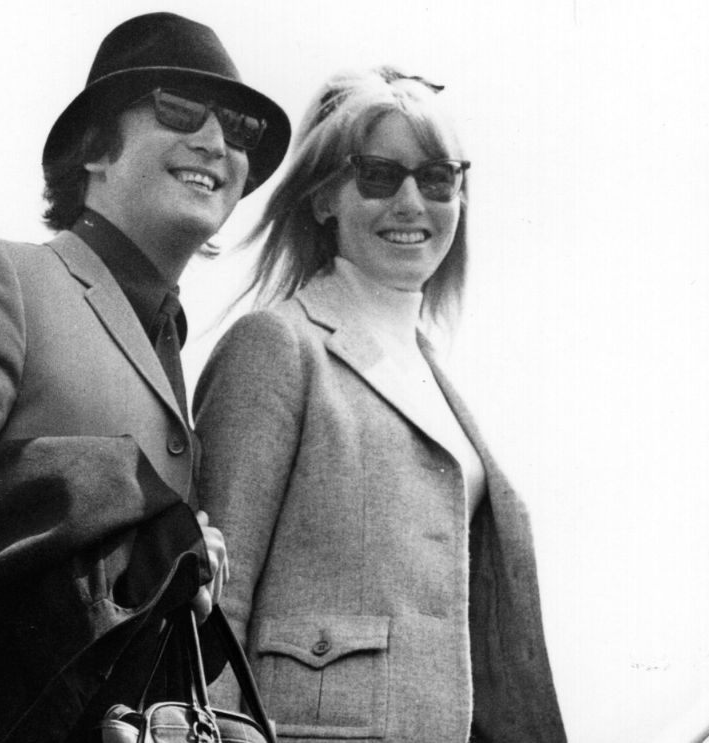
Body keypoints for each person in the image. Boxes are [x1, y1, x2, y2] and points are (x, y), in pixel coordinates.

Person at [0, 12, 290, 743]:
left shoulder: (169, 339)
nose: (214, 141)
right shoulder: (2, 275)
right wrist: (130, 526)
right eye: (178, 109)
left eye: (237, 129)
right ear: (95, 148)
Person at [193, 67, 567, 742]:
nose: (409, 201)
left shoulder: (431, 374)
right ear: (321, 199)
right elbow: (216, 605)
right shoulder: (277, 344)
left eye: (435, 178)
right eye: (376, 174)